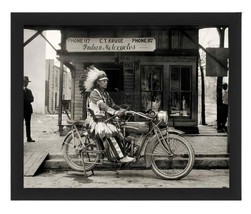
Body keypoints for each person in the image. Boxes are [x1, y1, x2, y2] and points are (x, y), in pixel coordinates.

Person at [81, 66, 134, 163]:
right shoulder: (94, 93)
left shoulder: (105, 94)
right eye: (103, 81)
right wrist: (114, 112)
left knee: (119, 132)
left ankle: (120, 154)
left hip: (104, 119)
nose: (106, 82)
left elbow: (112, 105)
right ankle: (120, 157)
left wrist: (122, 109)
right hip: (96, 121)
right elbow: (102, 105)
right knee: (110, 134)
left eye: (106, 81)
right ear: (98, 82)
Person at [23, 76, 35, 142]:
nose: (26, 84)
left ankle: (29, 138)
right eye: (25, 82)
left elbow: (32, 99)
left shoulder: (29, 91)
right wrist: (27, 99)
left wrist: (25, 99)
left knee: (28, 124)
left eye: (27, 82)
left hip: (28, 110)